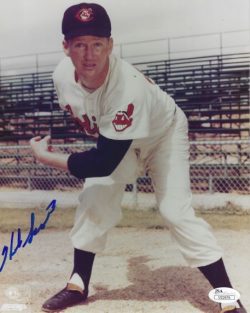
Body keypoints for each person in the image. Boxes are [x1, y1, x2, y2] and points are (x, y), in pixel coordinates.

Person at [30, 3, 247, 313]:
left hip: (164, 134)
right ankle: (77, 283)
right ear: (66, 47)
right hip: (123, 141)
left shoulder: (126, 87)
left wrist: (47, 157)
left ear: (110, 45)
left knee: (175, 211)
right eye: (79, 44)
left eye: (97, 44)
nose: (89, 54)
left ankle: (229, 299)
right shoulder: (62, 77)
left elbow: (103, 161)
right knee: (95, 198)